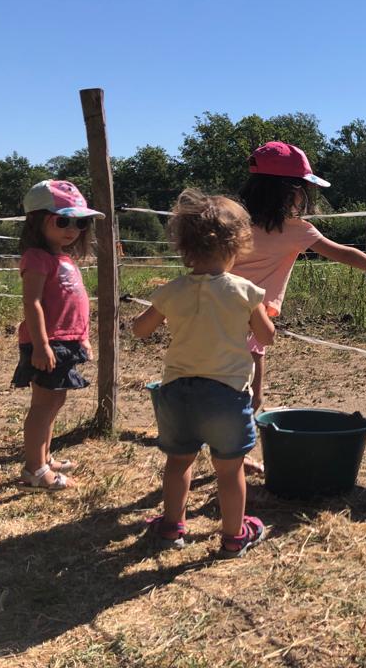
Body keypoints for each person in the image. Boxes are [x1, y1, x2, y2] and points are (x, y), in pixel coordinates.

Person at [232, 141, 366, 473]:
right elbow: (344, 253)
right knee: (249, 397)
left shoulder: (234, 222)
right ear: (291, 192)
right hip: (254, 323)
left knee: (223, 387)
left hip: (216, 315)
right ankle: (232, 458)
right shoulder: (297, 230)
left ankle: (228, 454)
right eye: (304, 190)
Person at [132, 189, 275, 558]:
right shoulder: (245, 291)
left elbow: (140, 330)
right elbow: (266, 337)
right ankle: (233, 537)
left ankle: (171, 528)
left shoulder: (171, 291)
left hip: (177, 392)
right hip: (226, 394)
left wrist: (164, 312)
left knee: (178, 462)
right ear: (237, 245)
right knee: (228, 471)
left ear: (184, 246)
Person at [12, 180, 104, 491]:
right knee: (43, 404)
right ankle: (35, 469)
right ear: (38, 221)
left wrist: (83, 338)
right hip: (48, 343)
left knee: (55, 401)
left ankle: (45, 456)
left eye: (80, 222)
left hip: (66, 342)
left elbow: (77, 304)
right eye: (63, 220)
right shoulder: (37, 258)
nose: (72, 229)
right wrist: (40, 345)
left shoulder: (64, 257)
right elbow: (32, 302)